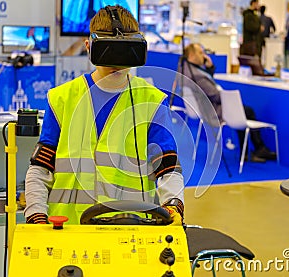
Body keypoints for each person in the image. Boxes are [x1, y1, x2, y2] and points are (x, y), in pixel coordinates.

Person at [24, 5, 185, 225]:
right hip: (67, 230)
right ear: (89, 47)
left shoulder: (152, 101)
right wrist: (36, 216)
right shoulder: (62, 98)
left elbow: (168, 169)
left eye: (124, 52)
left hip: (132, 229)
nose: (115, 63)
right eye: (107, 51)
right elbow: (40, 170)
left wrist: (174, 206)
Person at [181, 43, 277, 163]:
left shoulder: (185, 70)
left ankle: (255, 149)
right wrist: (229, 98)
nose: (204, 56)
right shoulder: (197, 75)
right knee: (245, 111)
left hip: (205, 109)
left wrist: (210, 68)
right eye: (200, 53)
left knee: (243, 110)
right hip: (212, 110)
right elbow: (215, 95)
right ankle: (253, 149)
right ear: (191, 55)